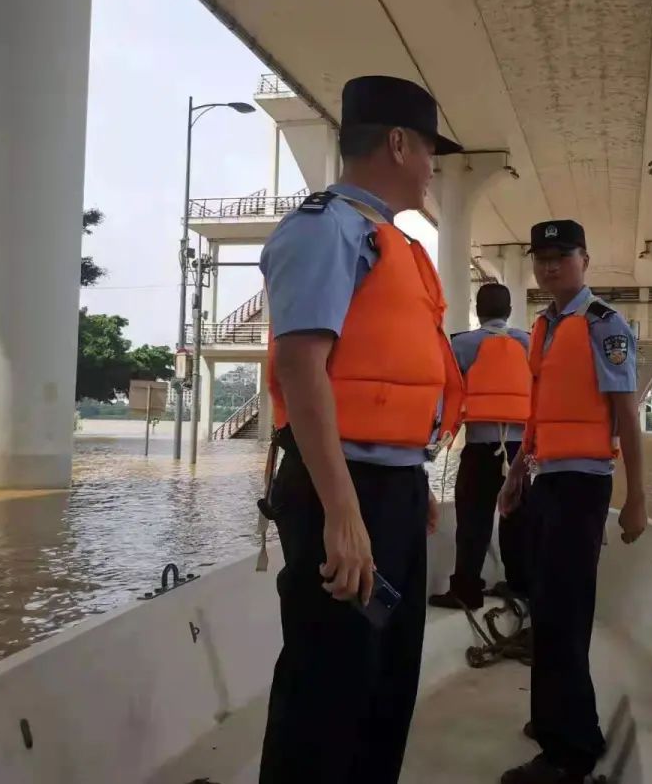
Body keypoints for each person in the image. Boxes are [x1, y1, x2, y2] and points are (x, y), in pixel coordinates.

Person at [258, 74, 465, 784]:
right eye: (430, 149)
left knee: (385, 684)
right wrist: (344, 514)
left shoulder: (392, 242)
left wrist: (409, 479)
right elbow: (301, 368)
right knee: (329, 691)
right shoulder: (328, 229)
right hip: (340, 490)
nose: (433, 166)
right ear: (399, 143)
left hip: (389, 487)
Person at [498, 220, 648, 784]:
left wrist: (637, 497)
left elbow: (626, 414)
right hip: (547, 482)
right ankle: (554, 721)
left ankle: (570, 753)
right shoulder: (544, 327)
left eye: (561, 255)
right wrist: (517, 470)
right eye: (541, 257)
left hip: (583, 485)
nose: (549, 266)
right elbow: (540, 414)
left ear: (584, 259)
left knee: (564, 614)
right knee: (546, 606)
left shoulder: (604, 324)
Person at [429, 282, 533, 611]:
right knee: (517, 519)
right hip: (520, 451)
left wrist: (437, 436)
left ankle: (466, 590)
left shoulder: (462, 345)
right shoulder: (530, 343)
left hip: (479, 448)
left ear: (477, 310)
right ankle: (519, 585)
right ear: (509, 312)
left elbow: (445, 392)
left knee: (473, 520)